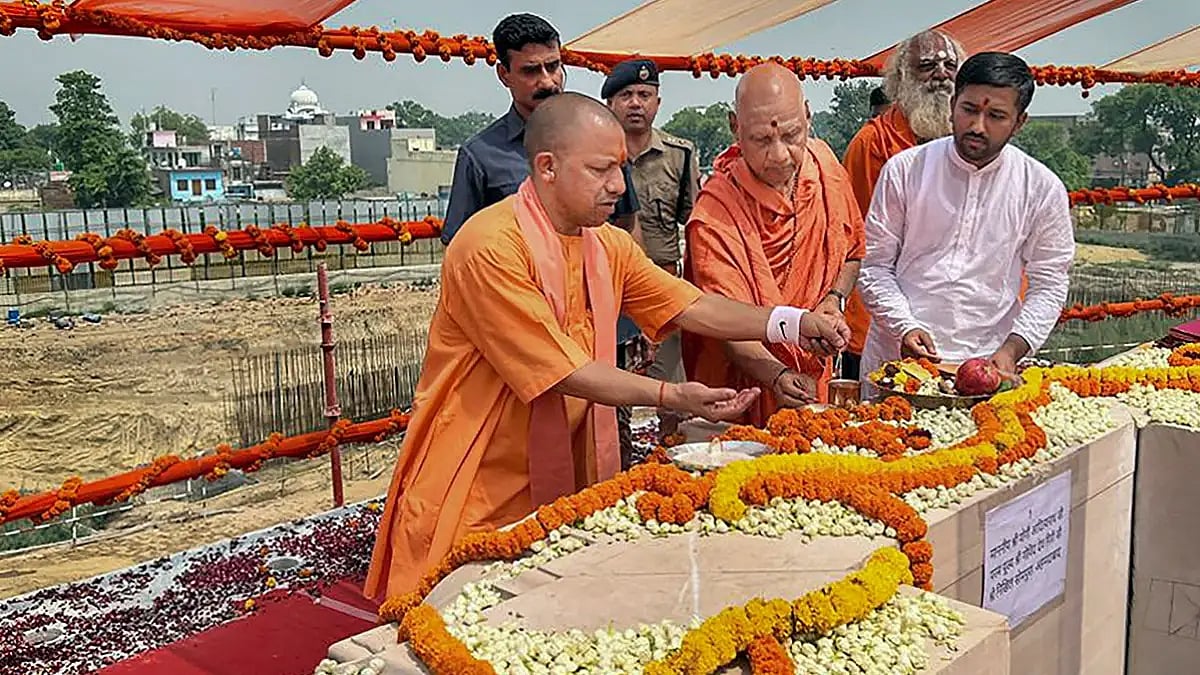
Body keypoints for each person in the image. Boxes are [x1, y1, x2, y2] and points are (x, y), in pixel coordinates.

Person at [365, 93, 849, 600]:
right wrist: (672, 396)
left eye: (619, 168)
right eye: (601, 170)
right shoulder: (489, 247)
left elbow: (689, 305)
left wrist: (793, 323)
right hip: (479, 478)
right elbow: (564, 371)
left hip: (565, 465)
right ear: (547, 168)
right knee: (456, 627)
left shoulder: (606, 242)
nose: (619, 186)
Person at [857, 52, 1074, 383]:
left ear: (1020, 122)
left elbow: (1050, 282)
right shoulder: (905, 170)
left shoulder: (1041, 188)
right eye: (969, 110)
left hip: (988, 366)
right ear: (953, 104)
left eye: (996, 116)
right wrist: (904, 326)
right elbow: (874, 266)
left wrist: (1013, 349)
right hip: (896, 364)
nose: (977, 126)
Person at [682, 63, 864, 426]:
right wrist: (777, 375)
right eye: (762, 140)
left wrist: (833, 300)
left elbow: (853, 252)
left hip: (814, 377)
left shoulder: (826, 170)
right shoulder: (715, 213)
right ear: (736, 127)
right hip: (745, 390)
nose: (780, 155)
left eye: (792, 136)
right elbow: (722, 323)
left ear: (808, 116)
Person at [440, 13, 640, 245]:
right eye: (531, 70)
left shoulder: (601, 135)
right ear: (504, 75)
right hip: (516, 279)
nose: (547, 81)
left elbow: (626, 224)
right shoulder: (480, 156)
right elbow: (460, 244)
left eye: (553, 66)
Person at [841, 30, 966, 381]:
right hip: (876, 323)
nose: (941, 74)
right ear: (902, 79)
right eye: (927, 66)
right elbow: (856, 241)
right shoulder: (871, 144)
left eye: (950, 65)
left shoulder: (972, 143)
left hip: (956, 326)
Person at [603, 58, 701, 446]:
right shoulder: (598, 155)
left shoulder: (679, 155)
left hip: (662, 287)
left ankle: (671, 460)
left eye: (645, 95)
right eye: (626, 95)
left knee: (672, 395)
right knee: (614, 394)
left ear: (658, 102)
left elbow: (695, 228)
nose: (636, 103)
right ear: (610, 103)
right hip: (607, 291)